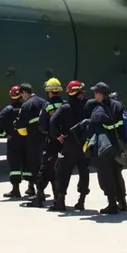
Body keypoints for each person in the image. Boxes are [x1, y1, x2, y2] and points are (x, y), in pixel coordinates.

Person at [86, 82, 127, 215]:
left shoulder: (98, 110)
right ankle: (123, 203)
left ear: (99, 94)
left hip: (105, 148)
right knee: (117, 174)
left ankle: (112, 205)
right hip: (118, 145)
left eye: (95, 93)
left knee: (105, 175)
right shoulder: (118, 105)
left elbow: (91, 129)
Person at [49, 80, 92, 211]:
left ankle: (60, 202)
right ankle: (81, 201)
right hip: (84, 146)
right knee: (84, 172)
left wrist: (57, 135)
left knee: (63, 172)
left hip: (69, 146)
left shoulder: (64, 107)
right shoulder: (87, 106)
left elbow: (52, 122)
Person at [25, 78, 66, 208]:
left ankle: (39, 197)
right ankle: (58, 198)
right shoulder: (65, 104)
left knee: (44, 169)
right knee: (60, 171)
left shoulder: (47, 106)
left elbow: (42, 126)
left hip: (51, 142)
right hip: (65, 143)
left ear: (48, 91)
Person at [15, 82, 48, 198]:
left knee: (34, 166)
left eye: (22, 95)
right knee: (44, 165)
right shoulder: (44, 102)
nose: (22, 98)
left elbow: (20, 124)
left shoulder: (26, 105)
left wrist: (16, 125)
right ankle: (43, 190)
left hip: (33, 140)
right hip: (45, 138)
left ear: (24, 93)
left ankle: (38, 193)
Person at [0, 86, 25, 198]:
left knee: (14, 165)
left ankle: (16, 190)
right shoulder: (27, 108)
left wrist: (5, 135)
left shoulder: (7, 110)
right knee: (28, 164)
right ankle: (31, 188)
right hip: (26, 140)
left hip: (14, 141)